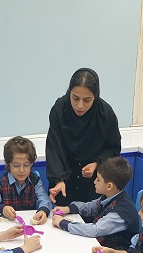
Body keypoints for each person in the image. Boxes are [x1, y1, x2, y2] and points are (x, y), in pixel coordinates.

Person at [46, 68, 121, 206]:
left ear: (95, 96)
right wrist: (59, 179)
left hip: (94, 183)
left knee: (90, 216)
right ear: (69, 92)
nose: (80, 105)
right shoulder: (59, 109)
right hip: (64, 182)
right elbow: (54, 147)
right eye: (75, 98)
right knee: (62, 216)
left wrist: (97, 163)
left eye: (87, 100)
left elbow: (113, 148)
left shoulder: (105, 114)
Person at [52, 156, 138, 250]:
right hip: (100, 245)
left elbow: (95, 230)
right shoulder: (109, 196)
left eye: (98, 179)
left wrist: (64, 223)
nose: (94, 182)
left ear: (109, 186)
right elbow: (90, 207)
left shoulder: (120, 213)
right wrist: (68, 209)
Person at [0, 136, 52, 224]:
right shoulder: (0, 184)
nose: (21, 170)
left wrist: (43, 210)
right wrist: (1, 209)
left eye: (26, 165)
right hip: (7, 227)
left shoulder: (35, 181)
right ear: (8, 164)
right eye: (16, 165)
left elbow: (44, 199)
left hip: (28, 226)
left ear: (31, 164)